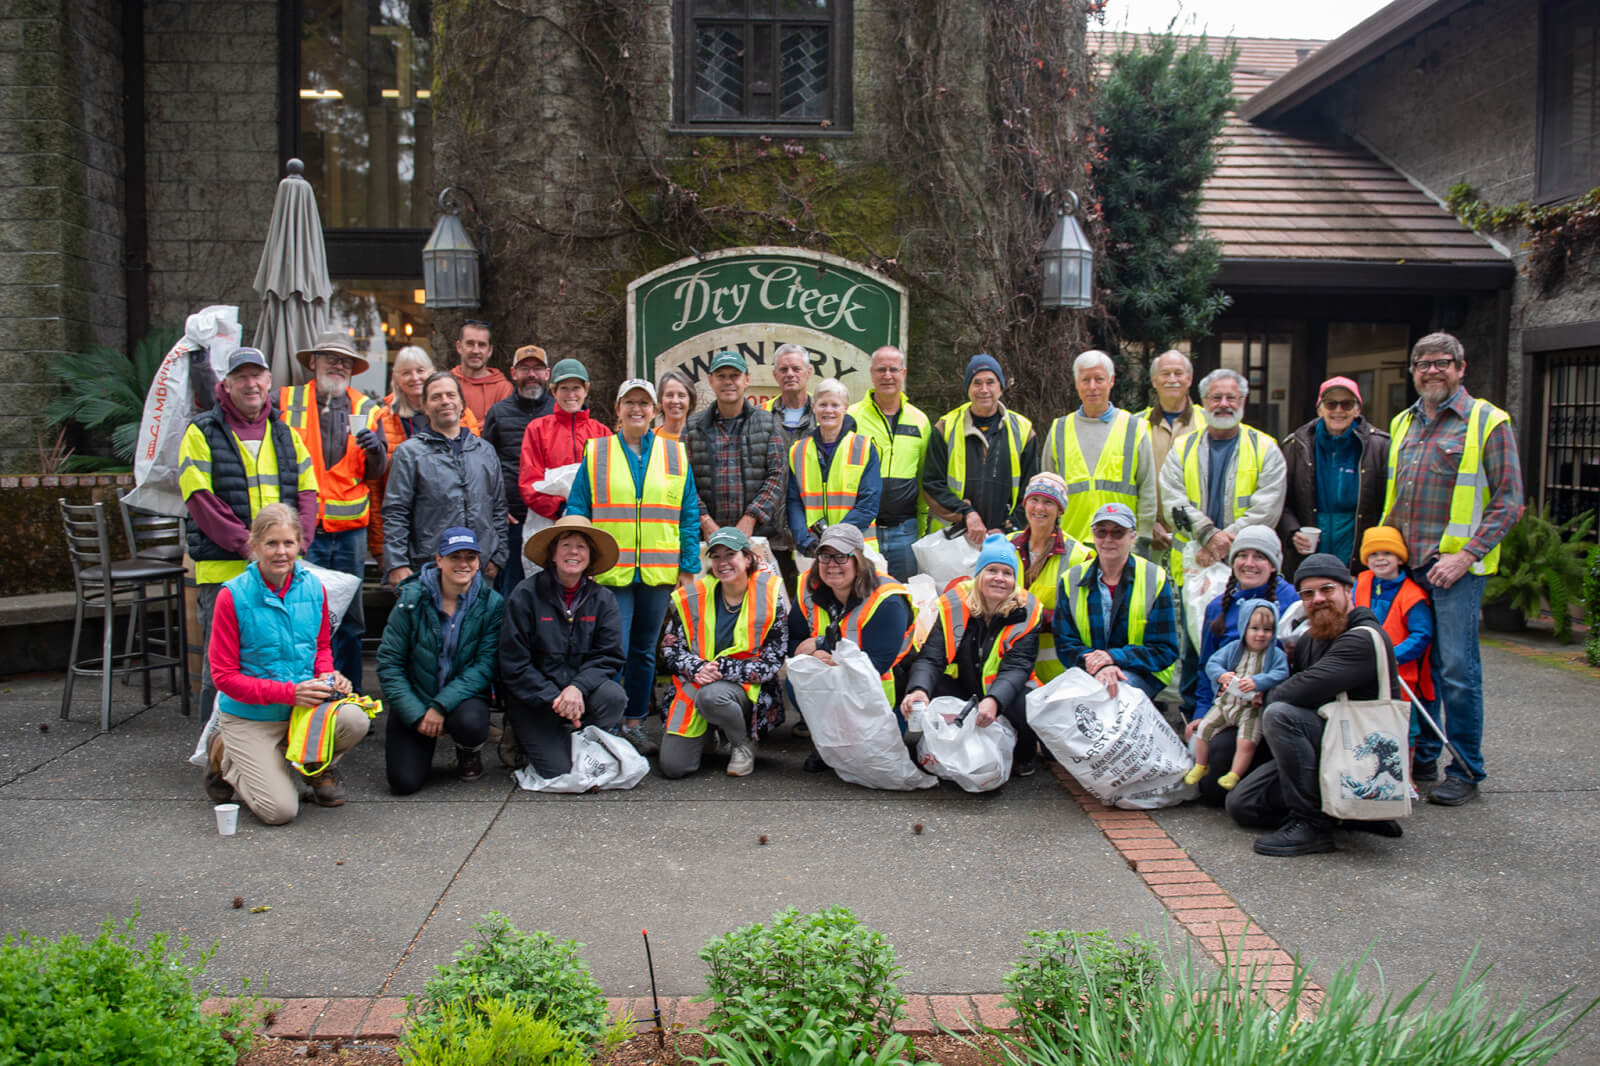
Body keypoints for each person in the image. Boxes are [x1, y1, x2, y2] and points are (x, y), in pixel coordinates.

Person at [1381, 331, 1523, 807]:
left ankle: (1464, 768)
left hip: (1456, 572)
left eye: (1443, 362)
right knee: (1414, 666)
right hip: (1409, 568)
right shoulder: (1403, 423)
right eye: (1423, 363)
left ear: (1461, 369)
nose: (1433, 370)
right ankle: (1422, 756)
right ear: (1413, 371)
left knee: (1458, 670)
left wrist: (1467, 555)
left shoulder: (1488, 421)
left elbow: (1509, 501)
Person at [180, 347, 318, 739]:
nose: (251, 383)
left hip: (280, 571)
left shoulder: (286, 432)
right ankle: (216, 753)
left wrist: (296, 544)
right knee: (219, 670)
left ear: (269, 381)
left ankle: (275, 745)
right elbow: (200, 500)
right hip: (224, 571)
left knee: (281, 662)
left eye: (257, 375)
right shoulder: (202, 431)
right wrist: (251, 547)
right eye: (241, 376)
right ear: (226, 383)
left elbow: (308, 492)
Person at [1226, 553, 1402, 856]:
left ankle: (1312, 825)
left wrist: (1266, 692)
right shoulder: (1311, 639)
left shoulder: (1362, 639)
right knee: (1243, 805)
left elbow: (1291, 694)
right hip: (1328, 743)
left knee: (1281, 715)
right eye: (1308, 594)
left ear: (1348, 590)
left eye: (1327, 589)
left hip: (1359, 752)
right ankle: (1348, 813)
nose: (1317, 599)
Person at [205, 503, 368, 825]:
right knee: (280, 812)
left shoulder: (313, 588)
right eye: (271, 543)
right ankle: (225, 754)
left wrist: (327, 675)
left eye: (288, 543)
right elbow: (223, 677)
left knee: (355, 720)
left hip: (301, 712)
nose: (281, 552)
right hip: (250, 716)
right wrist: (289, 693)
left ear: (300, 545)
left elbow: (321, 646)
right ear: (254, 546)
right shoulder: (232, 596)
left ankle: (309, 767)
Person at [566, 378, 701, 757]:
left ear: (655, 410)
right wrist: (580, 559)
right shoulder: (597, 453)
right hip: (611, 570)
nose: (637, 409)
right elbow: (578, 509)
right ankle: (606, 724)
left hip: (658, 572)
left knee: (644, 651)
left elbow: (688, 515)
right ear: (618, 408)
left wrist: (688, 564)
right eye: (630, 402)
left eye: (644, 403)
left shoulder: (675, 455)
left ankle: (635, 723)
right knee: (614, 649)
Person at [1159, 367, 1286, 716]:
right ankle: (1194, 715)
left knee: (1247, 634)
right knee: (1196, 641)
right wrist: (1208, 535)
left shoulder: (1266, 448)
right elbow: (1173, 500)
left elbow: (1268, 506)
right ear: (1203, 402)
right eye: (1216, 397)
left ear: (1243, 401)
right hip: (1196, 562)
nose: (1224, 403)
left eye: (1231, 397)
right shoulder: (1183, 448)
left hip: (1246, 565)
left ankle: (1244, 713)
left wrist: (1225, 542)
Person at [280, 329, 388, 690]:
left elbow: (375, 472)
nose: (339, 366)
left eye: (345, 361)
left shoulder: (367, 408)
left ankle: (348, 698)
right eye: (331, 359)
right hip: (302, 529)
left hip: (349, 534)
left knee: (349, 621)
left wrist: (376, 450)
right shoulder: (285, 401)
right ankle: (306, 695)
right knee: (301, 617)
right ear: (313, 363)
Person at [902, 533, 1045, 777]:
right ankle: (943, 751)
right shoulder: (954, 603)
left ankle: (1024, 752)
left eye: (1007, 573)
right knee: (923, 686)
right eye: (992, 570)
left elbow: (1018, 666)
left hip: (1004, 689)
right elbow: (932, 657)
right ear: (979, 575)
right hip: (964, 685)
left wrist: (995, 700)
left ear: (1014, 579)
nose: (999, 578)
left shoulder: (1028, 610)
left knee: (1029, 703)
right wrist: (919, 690)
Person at [498, 516, 629, 778]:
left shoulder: (603, 599)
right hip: (535, 698)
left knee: (614, 696)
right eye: (566, 545)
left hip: (578, 693)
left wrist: (576, 688)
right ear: (553, 555)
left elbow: (609, 656)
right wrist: (554, 697)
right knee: (558, 772)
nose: (573, 552)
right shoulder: (525, 595)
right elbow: (514, 662)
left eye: (581, 546)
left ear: (590, 556)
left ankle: (580, 733)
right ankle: (523, 733)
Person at [377, 527, 504, 794]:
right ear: (439, 560)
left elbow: (485, 666)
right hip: (416, 696)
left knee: (470, 723)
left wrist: (440, 707)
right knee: (403, 783)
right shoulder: (410, 600)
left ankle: (468, 751)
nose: (463, 564)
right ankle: (419, 738)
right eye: (454, 556)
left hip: (461, 700)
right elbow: (389, 664)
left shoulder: (492, 604)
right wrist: (417, 713)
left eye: (470, 557)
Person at [658, 527, 788, 779]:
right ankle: (710, 731)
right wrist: (696, 668)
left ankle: (742, 744)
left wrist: (719, 670)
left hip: (746, 688)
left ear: (748, 558)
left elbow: (773, 659)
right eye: (715, 556)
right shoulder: (693, 596)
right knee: (674, 768)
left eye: (730, 554)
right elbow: (670, 648)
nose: (722, 562)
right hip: (697, 682)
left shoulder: (770, 595)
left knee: (711, 698)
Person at [788, 524, 916, 773]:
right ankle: (828, 743)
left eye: (841, 556)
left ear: (858, 559)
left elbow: (876, 663)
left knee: (872, 762)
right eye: (825, 556)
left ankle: (856, 739)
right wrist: (815, 656)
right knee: (797, 676)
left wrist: (819, 645)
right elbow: (793, 642)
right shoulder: (807, 585)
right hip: (834, 671)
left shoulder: (887, 598)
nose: (832, 564)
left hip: (885, 684)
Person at [381, 371, 507, 586]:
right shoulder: (410, 453)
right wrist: (397, 564)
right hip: (428, 568)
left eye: (450, 395)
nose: (445, 401)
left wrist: (498, 555)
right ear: (426, 406)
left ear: (461, 403)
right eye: (436, 397)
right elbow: (396, 512)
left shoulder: (484, 451)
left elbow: (499, 508)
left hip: (480, 567)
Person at [1053, 503, 1179, 704]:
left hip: (1142, 672)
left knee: (1113, 697)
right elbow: (1065, 645)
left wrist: (1114, 658)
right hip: (1090, 672)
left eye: (1118, 533)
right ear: (1093, 535)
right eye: (1101, 532)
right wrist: (1101, 665)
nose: (1108, 539)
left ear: (1133, 536)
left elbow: (1165, 650)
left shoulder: (1154, 577)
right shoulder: (1071, 579)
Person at [369, 345, 482, 568]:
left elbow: (475, 476)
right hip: (406, 533)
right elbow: (376, 489)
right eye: (406, 372)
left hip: (451, 528)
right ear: (396, 378)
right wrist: (381, 547)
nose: (414, 378)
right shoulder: (382, 418)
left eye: (420, 370)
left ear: (431, 372)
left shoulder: (461, 414)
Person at [1278, 376, 1390, 578]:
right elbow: (1281, 500)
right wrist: (1293, 532)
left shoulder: (1381, 446)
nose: (1338, 410)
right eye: (1331, 404)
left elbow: (1388, 503)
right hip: (1309, 552)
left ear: (1358, 409)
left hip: (1359, 551)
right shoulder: (1295, 446)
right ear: (1319, 409)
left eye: (1346, 404)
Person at [1042, 350, 1156, 549]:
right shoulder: (1059, 429)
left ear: (1111, 381)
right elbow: (1047, 491)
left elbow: (1147, 488)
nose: (1092, 387)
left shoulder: (1133, 428)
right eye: (1086, 380)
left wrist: (1143, 538)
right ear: (1077, 384)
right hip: (1071, 541)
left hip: (1121, 542)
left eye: (1099, 379)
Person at [923, 353, 1040, 545]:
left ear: (1001, 388)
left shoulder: (1023, 430)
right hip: (953, 540)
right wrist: (966, 513)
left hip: (1005, 540)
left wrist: (1008, 528)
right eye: (976, 383)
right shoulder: (946, 427)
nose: (983, 389)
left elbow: (1031, 490)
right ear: (968, 389)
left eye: (990, 382)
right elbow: (931, 484)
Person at [681, 350, 788, 551]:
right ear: (711, 380)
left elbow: (777, 476)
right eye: (721, 376)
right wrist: (704, 520)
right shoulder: (692, 427)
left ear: (746, 379)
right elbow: (683, 480)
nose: (728, 382)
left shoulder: (767, 423)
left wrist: (751, 517)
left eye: (735, 376)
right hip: (706, 538)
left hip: (757, 538)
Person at [1353, 526, 1437, 781]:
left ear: (1400, 557)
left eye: (1388, 553)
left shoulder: (1413, 595)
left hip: (1402, 675)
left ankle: (1406, 776)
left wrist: (1391, 655)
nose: (1380, 558)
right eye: (1374, 553)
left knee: (1404, 727)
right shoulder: (1363, 582)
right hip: (1367, 669)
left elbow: (1421, 635)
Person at [848, 345, 933, 580]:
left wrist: (922, 527)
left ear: (903, 373)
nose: (887, 376)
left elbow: (924, 478)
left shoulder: (920, 421)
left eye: (893, 370)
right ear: (872, 374)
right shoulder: (851, 418)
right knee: (860, 596)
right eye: (881, 370)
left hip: (905, 531)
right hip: (862, 529)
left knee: (904, 598)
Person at [1186, 600, 1289, 791]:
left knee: (1247, 741)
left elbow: (1281, 674)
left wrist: (1259, 682)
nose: (1260, 634)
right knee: (1204, 730)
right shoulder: (1234, 648)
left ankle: (1234, 774)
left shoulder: (1276, 654)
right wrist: (1221, 675)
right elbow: (1212, 663)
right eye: (1255, 628)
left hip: (1250, 709)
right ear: (1244, 627)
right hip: (1226, 703)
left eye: (1267, 629)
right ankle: (1201, 765)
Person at [481, 344, 555, 595]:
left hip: (552, 519)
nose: (531, 374)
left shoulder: (558, 412)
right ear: (513, 373)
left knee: (549, 588)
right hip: (512, 519)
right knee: (513, 589)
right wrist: (496, 509)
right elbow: (485, 467)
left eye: (537, 368)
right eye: (525, 368)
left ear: (547, 373)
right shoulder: (499, 413)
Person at [1010, 473, 1092, 682]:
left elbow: (1082, 619)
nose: (1039, 508)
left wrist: (1028, 615)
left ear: (1059, 510)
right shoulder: (1006, 545)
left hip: (1056, 673)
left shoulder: (1080, 557)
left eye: (1048, 502)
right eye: (1034, 500)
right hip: (1007, 665)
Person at [786, 377, 883, 556]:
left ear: (846, 408)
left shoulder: (864, 448)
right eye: (823, 404)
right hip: (811, 549)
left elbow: (868, 504)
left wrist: (835, 540)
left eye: (835, 405)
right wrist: (804, 541)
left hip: (855, 547)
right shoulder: (797, 451)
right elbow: (793, 503)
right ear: (814, 407)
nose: (828, 410)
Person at [519, 358, 613, 523]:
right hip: (549, 519)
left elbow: (610, 480)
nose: (571, 395)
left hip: (594, 517)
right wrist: (561, 509)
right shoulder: (537, 430)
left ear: (586, 390)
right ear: (554, 392)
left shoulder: (602, 432)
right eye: (564, 388)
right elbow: (529, 483)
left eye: (576, 388)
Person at [1137, 350, 1207, 558]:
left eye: (1178, 373)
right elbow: (1128, 482)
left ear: (1189, 379)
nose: (1172, 380)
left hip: (1197, 540)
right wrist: (1148, 524)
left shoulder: (1208, 425)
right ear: (1154, 380)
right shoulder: (1136, 425)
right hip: (1149, 539)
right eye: (1165, 374)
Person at [449, 319, 511, 424]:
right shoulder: (447, 382)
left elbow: (501, 428)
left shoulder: (503, 388)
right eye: (470, 344)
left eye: (481, 345)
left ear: (490, 350)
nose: (475, 351)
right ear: (459, 347)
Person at [654, 368, 696, 441]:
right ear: (661, 400)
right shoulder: (649, 439)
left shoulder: (701, 439)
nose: (675, 401)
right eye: (669, 395)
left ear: (691, 402)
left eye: (681, 395)